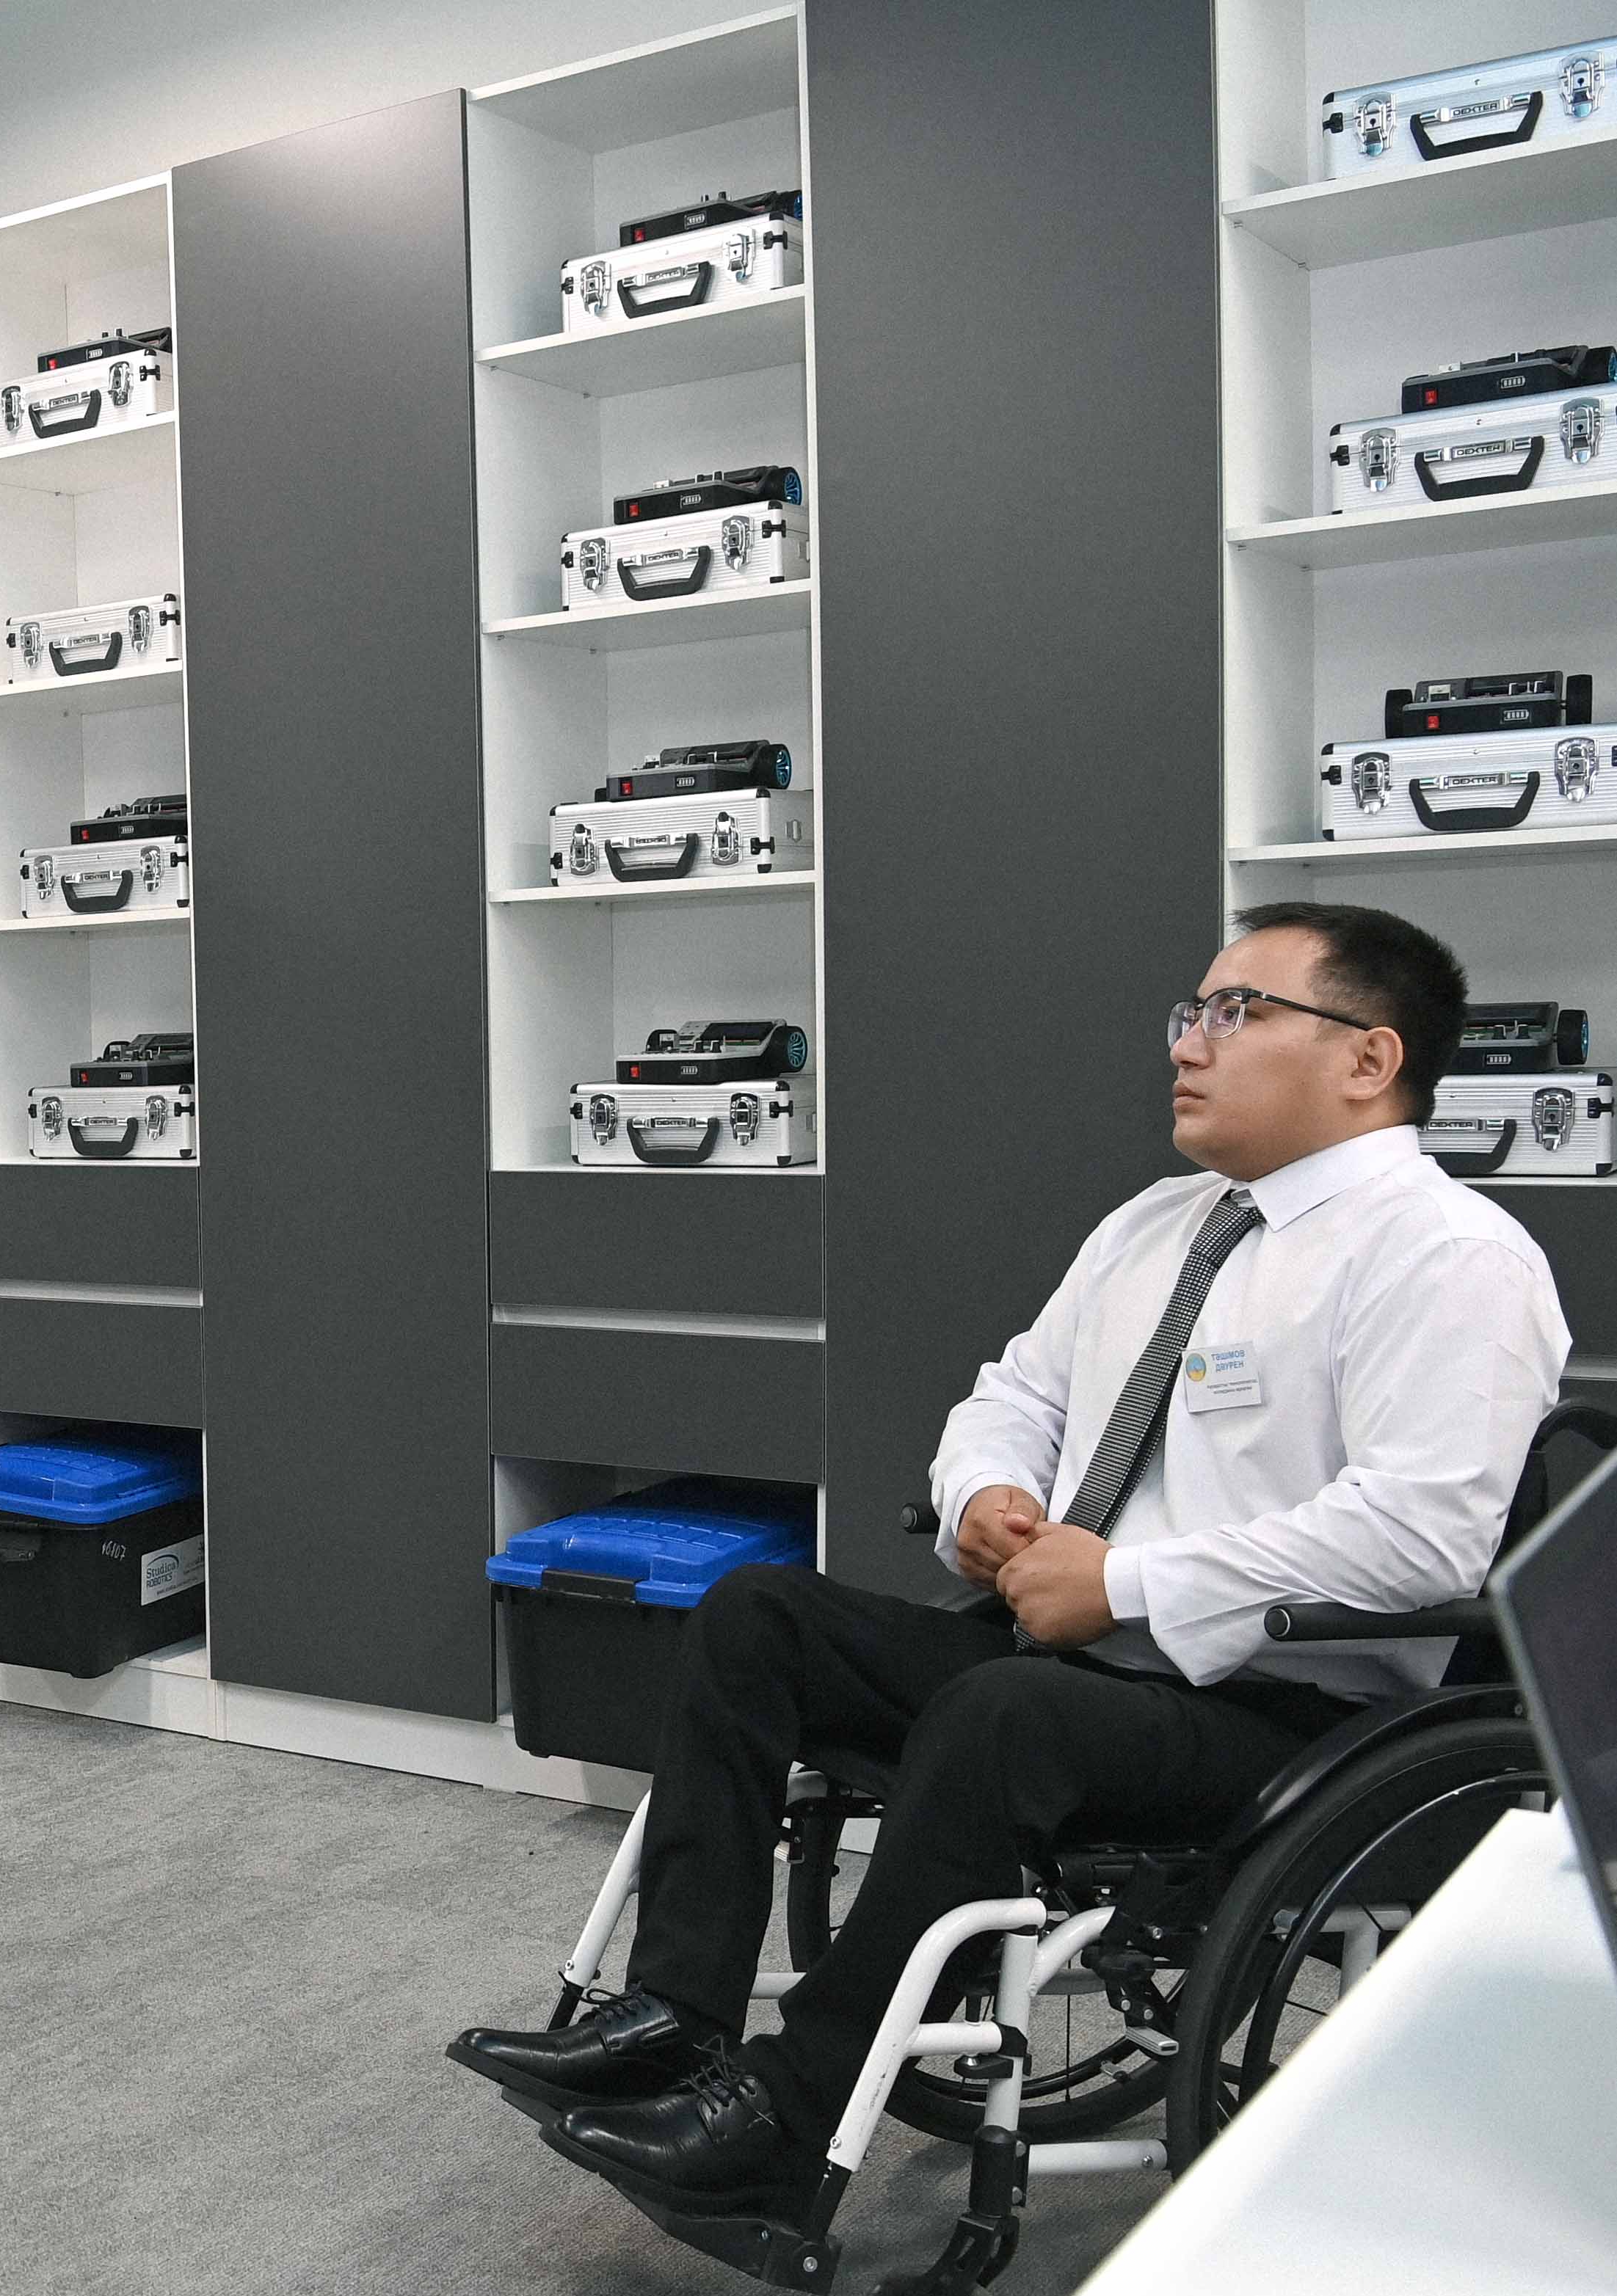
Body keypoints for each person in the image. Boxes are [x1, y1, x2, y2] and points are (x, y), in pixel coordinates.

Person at [452, 900, 1566, 2223]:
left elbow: (1420, 1532)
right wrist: (986, 1491)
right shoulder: (1159, 1223)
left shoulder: (1450, 1256)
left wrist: (1125, 1582)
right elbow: (1016, 1393)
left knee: (1003, 1708)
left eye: (1237, 1012)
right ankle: (671, 2019)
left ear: (1369, 1058)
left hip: (1284, 1710)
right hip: (1064, 1654)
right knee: (757, 1615)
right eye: (1191, 1011)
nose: (1188, 1043)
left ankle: (783, 2122)